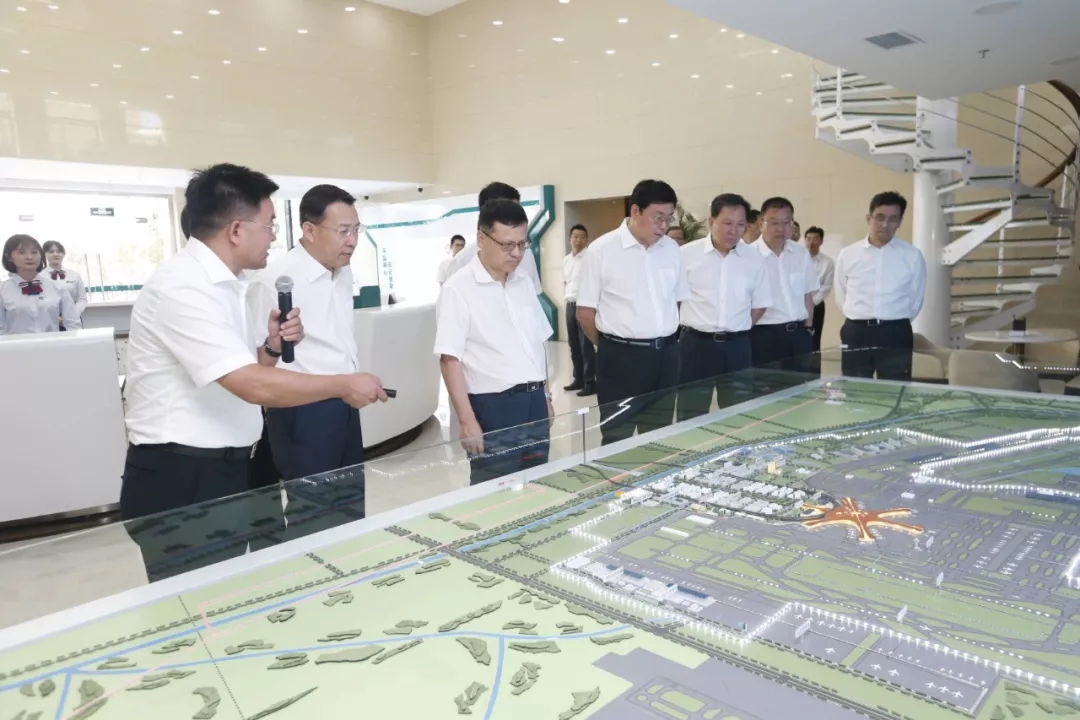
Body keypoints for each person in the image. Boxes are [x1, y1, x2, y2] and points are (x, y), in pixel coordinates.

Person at [121, 163, 387, 521]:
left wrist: (272, 347)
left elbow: (245, 369)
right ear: (235, 230)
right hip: (183, 473)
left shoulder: (229, 285)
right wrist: (344, 385)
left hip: (227, 462)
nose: (273, 237)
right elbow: (251, 385)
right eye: (269, 226)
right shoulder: (183, 286)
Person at [249, 184, 383, 489]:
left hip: (346, 402)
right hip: (301, 412)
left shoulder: (343, 271)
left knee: (351, 500)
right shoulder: (274, 281)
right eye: (343, 231)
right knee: (313, 506)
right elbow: (258, 363)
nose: (352, 241)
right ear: (309, 230)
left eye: (357, 230)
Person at [435, 199, 553, 485]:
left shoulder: (523, 281)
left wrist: (546, 396)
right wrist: (466, 420)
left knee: (537, 483)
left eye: (522, 244)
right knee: (495, 490)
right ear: (481, 239)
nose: (517, 253)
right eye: (507, 245)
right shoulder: (458, 289)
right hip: (493, 407)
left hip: (534, 402)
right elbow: (450, 360)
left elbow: (538, 343)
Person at [577, 179, 688, 444]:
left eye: (669, 218)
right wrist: (610, 347)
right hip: (619, 359)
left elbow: (676, 301)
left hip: (666, 356)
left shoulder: (671, 249)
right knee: (618, 436)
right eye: (657, 217)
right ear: (636, 211)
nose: (664, 225)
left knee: (658, 436)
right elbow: (584, 313)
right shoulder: (602, 250)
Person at [677, 194, 771, 421]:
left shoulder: (754, 258)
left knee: (738, 414)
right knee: (691, 413)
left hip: (737, 347)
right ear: (711, 222)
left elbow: (760, 305)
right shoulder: (686, 255)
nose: (734, 231)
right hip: (695, 345)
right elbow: (673, 300)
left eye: (740, 224)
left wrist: (736, 326)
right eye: (727, 223)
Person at [835, 191, 926, 380]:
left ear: (900, 222)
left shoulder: (912, 256)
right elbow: (841, 293)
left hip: (895, 333)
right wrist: (860, 315)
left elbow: (916, 299)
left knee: (896, 389)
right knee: (855, 389)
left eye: (893, 219)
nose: (885, 224)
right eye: (880, 217)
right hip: (856, 332)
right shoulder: (848, 254)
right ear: (869, 218)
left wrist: (893, 320)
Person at [750, 197, 819, 372]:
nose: (781, 228)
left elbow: (807, 295)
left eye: (787, 222)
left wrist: (808, 328)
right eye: (774, 222)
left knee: (801, 385)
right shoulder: (748, 256)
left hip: (799, 335)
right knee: (768, 386)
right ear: (761, 223)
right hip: (764, 336)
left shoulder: (801, 253)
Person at [444, 182, 542, 293]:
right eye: (508, 213)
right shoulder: (460, 263)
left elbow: (534, 296)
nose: (516, 253)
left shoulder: (526, 254)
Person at [0, 234, 80, 335]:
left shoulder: (56, 287)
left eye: (34, 252)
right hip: (16, 344)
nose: (29, 257)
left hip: (52, 343)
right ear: (9, 257)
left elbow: (73, 324)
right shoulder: (2, 290)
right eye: (22, 252)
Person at [562, 223, 595, 396]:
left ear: (587, 240)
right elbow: (566, 282)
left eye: (582, 237)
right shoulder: (566, 260)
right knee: (573, 343)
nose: (578, 240)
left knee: (586, 345)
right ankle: (579, 379)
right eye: (575, 237)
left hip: (585, 305)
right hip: (570, 304)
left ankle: (590, 382)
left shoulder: (591, 258)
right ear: (569, 239)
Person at [42, 240, 87, 330]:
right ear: (45, 255)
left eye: (59, 251)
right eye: (51, 252)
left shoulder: (74, 275)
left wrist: (72, 315)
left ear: (63, 254)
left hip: (73, 319)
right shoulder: (40, 276)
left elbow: (82, 299)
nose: (55, 254)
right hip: (49, 320)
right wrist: (54, 317)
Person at [804, 226, 834, 353]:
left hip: (817, 305)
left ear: (821, 241)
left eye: (815, 239)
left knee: (814, 340)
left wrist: (812, 303)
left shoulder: (828, 262)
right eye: (808, 239)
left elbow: (826, 286)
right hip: (797, 305)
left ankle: (814, 366)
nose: (811, 242)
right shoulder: (798, 259)